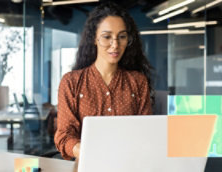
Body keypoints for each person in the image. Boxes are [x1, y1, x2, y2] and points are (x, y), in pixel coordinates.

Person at [54, 2, 153, 160]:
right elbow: (64, 136)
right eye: (107, 37)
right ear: (94, 38)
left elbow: (146, 132)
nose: (115, 45)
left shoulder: (138, 82)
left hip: (129, 165)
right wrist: (87, 151)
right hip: (88, 165)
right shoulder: (71, 82)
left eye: (121, 37)